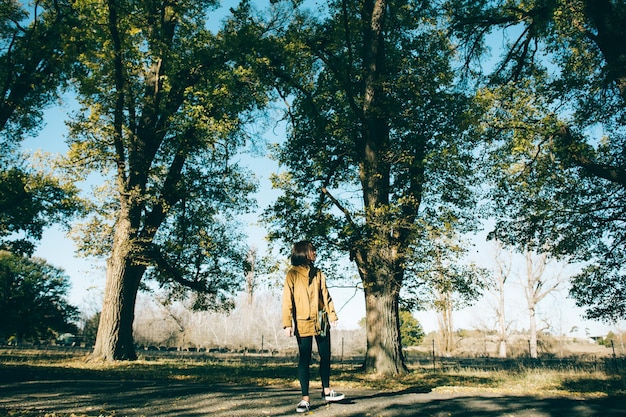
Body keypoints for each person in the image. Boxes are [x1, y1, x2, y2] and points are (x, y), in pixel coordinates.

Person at [282, 240, 345, 413]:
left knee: (325, 356)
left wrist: (332, 314)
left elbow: (326, 295)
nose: (315, 252)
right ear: (303, 252)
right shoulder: (292, 274)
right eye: (312, 250)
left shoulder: (318, 274)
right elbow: (287, 300)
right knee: (305, 359)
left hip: (321, 321)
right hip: (302, 323)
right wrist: (287, 323)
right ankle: (305, 399)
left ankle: (326, 391)